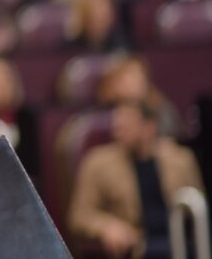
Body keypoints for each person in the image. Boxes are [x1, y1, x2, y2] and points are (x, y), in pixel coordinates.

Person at [67, 97, 203, 258]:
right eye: (117, 126)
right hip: (136, 247)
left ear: (149, 127)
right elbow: (79, 216)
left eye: (126, 126)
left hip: (179, 242)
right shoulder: (98, 163)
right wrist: (107, 226)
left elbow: (200, 208)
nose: (117, 132)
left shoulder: (181, 159)